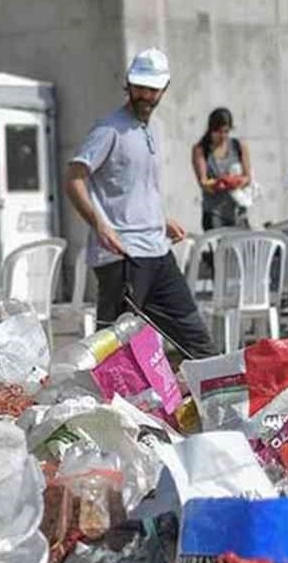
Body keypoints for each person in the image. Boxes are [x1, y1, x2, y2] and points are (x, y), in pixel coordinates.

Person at [65, 48, 216, 358]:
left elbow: (136, 187)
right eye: (140, 87)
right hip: (122, 256)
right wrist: (99, 226)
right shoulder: (108, 130)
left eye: (153, 89)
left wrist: (161, 219)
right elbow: (74, 179)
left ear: (164, 89)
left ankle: (211, 400)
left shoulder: (154, 130)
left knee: (197, 340)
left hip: (158, 251)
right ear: (129, 85)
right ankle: (103, 405)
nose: (146, 95)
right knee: (113, 350)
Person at [191, 107, 252, 230]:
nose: (223, 136)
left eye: (226, 132)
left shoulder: (238, 146)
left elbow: (248, 177)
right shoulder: (201, 150)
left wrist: (235, 182)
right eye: (218, 132)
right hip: (215, 212)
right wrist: (218, 184)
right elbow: (203, 182)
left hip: (237, 211)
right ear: (211, 130)